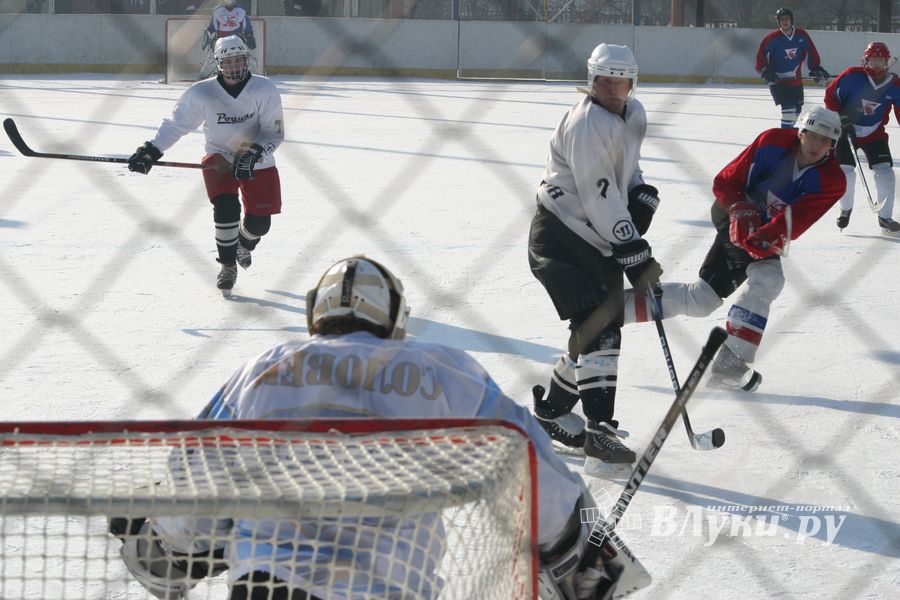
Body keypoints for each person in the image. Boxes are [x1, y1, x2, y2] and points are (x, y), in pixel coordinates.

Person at [111, 256, 650, 600]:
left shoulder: (265, 369)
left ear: (315, 315)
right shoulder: (442, 369)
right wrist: (584, 558)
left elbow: (197, 488)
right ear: (395, 318)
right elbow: (528, 464)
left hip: (270, 587)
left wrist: (155, 536)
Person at [622, 107, 846, 392]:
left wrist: (763, 237)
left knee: (702, 300)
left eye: (825, 141)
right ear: (800, 132)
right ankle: (732, 359)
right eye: (812, 135)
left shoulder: (832, 179)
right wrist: (739, 209)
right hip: (730, 210)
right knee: (769, 278)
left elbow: (797, 220)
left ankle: (617, 310)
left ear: (832, 145)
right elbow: (726, 181)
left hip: (765, 231)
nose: (816, 145)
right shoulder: (772, 142)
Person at [527, 43, 664, 475]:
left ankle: (551, 412)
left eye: (621, 82)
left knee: (593, 329)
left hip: (595, 237)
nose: (613, 89)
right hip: (560, 236)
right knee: (602, 329)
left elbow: (625, 170)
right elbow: (599, 196)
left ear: (632, 83)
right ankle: (599, 432)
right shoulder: (586, 123)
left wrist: (640, 191)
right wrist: (634, 250)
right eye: (605, 81)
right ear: (591, 81)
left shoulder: (633, 114)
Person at [127, 35, 284, 297]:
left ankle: (243, 244)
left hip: (257, 158)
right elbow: (177, 125)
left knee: (259, 225)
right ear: (218, 64)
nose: (234, 65)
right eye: (228, 61)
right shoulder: (202, 92)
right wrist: (151, 151)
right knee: (225, 206)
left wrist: (254, 152)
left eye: (238, 59)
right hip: (219, 156)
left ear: (246, 60)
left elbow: (274, 131)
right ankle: (227, 265)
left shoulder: (264, 88)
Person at [824, 41, 900, 234]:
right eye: (873, 60)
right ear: (865, 61)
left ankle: (885, 217)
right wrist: (840, 118)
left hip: (874, 133)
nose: (877, 64)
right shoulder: (851, 76)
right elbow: (830, 97)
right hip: (845, 131)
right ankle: (845, 209)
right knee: (846, 173)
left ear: (887, 62)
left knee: (886, 173)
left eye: (881, 61)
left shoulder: (894, 83)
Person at [756, 7, 831, 129]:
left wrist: (816, 68)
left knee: (797, 110)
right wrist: (765, 70)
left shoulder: (802, 36)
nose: (784, 21)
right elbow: (761, 57)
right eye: (782, 19)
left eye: (787, 19)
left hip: (795, 81)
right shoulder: (772, 38)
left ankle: (787, 132)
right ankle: (783, 136)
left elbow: (810, 53)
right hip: (777, 81)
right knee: (789, 108)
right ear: (779, 22)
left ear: (791, 20)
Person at [200, 0, 256, 78]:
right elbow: (211, 29)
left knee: (248, 59)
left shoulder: (240, 10)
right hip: (225, 43)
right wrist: (210, 41)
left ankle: (253, 76)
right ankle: (203, 77)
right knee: (248, 60)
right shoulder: (218, 10)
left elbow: (247, 28)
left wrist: (250, 37)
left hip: (232, 42)